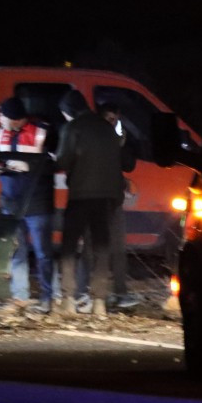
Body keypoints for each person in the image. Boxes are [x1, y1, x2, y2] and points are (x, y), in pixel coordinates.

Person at [0, 97, 56, 313]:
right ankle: (20, 297)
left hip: (38, 202)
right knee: (16, 252)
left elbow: (57, 163)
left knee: (43, 253)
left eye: (1, 115)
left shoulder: (43, 131)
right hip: (12, 203)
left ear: (15, 118)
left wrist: (31, 167)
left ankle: (48, 297)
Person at [54, 89, 121, 316]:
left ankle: (68, 300)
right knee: (102, 247)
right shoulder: (107, 127)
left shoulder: (73, 127)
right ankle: (100, 302)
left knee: (69, 248)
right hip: (108, 197)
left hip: (81, 195)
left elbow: (63, 159)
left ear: (68, 111)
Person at [97, 101, 141, 310]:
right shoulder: (93, 139)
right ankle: (95, 294)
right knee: (97, 250)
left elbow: (128, 165)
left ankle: (120, 293)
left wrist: (122, 146)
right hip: (96, 201)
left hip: (114, 202)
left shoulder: (119, 140)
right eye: (108, 119)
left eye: (114, 119)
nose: (111, 123)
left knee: (118, 250)